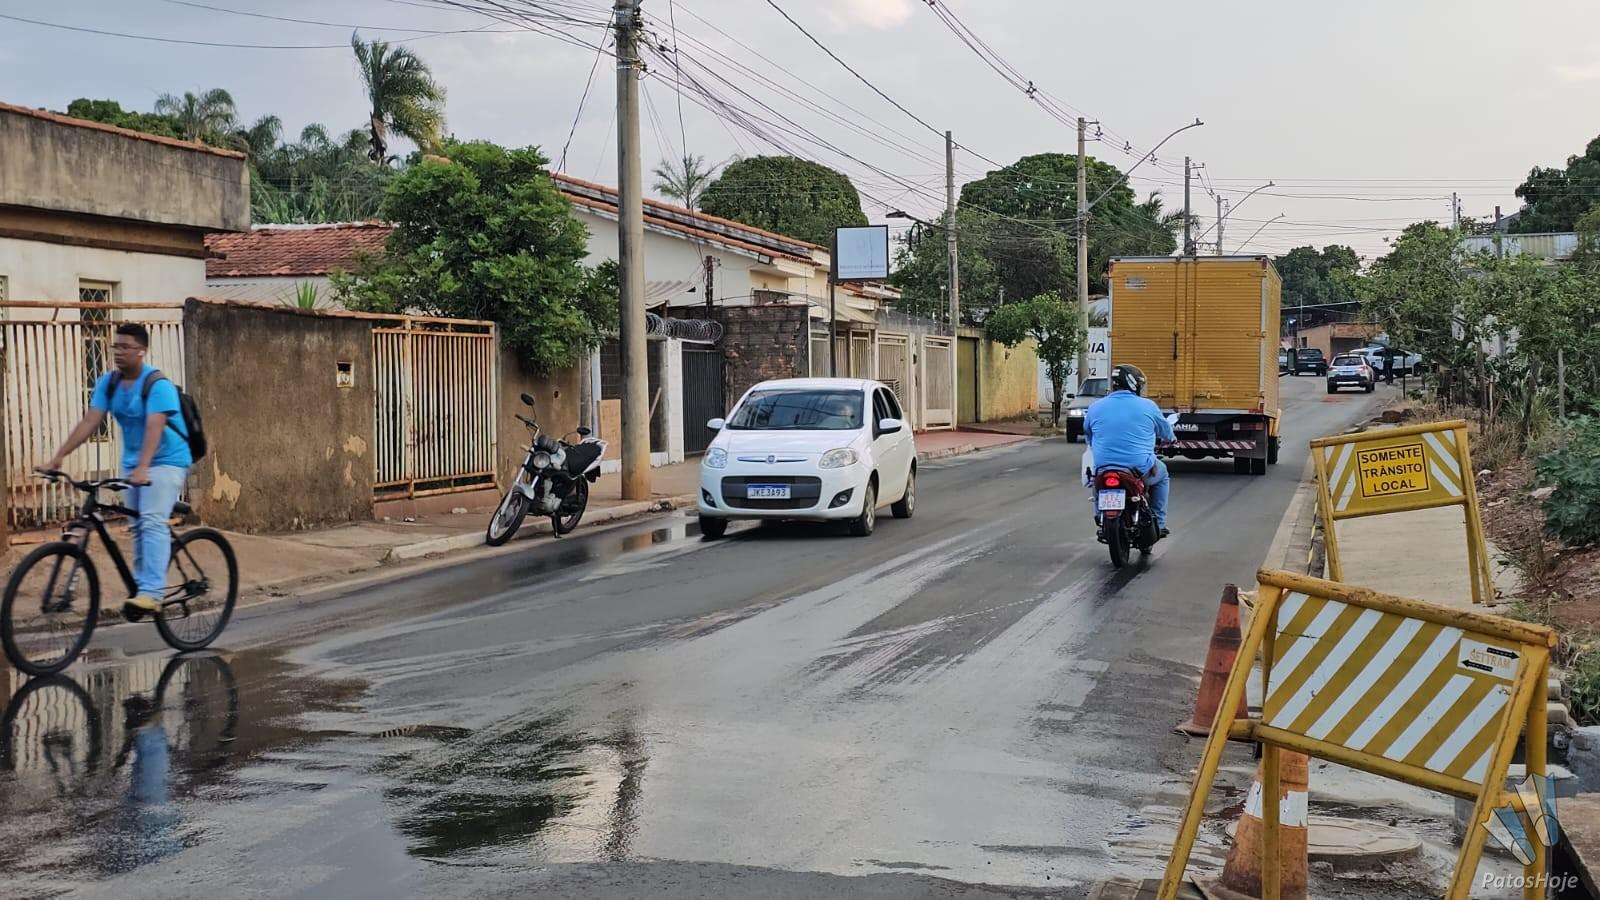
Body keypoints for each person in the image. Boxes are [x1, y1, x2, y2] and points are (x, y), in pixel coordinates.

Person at [41, 323, 193, 618]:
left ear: (141, 351)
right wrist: (58, 457)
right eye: (116, 346)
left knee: (151, 521)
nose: (118, 352)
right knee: (136, 527)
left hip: (167, 461)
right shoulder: (108, 384)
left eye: (126, 347)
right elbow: (90, 422)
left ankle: (152, 592)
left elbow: (154, 427)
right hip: (134, 463)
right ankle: (141, 589)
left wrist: (144, 467)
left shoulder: (157, 385)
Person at [1083, 363, 1176, 537]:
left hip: (1104, 467)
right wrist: (1171, 439)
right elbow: (1166, 431)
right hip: (1138, 469)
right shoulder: (1148, 406)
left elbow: (1088, 434)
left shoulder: (1095, 407)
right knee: (1163, 475)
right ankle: (1160, 522)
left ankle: (1099, 517)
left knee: (1097, 480)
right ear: (1134, 384)